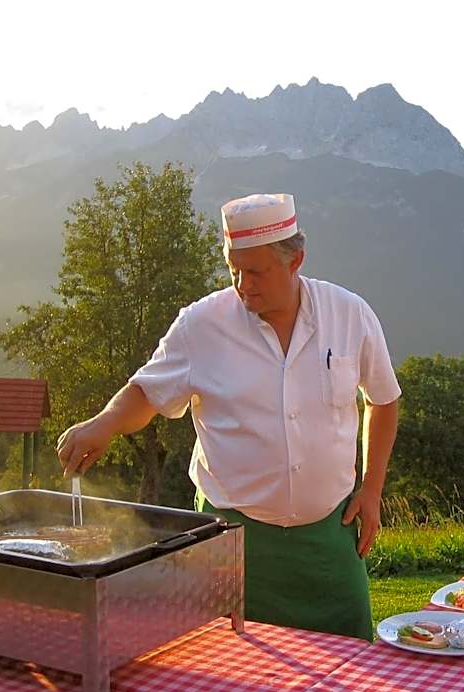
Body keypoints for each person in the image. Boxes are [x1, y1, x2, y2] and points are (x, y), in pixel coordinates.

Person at [56, 193, 400, 641]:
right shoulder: (202, 325)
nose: (243, 284)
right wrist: (104, 422)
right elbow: (147, 391)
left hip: (329, 542)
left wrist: (372, 489)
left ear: (296, 260)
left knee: (353, 674)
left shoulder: (349, 314)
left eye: (256, 271)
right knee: (230, 672)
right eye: (234, 270)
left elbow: (383, 399)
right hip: (231, 540)